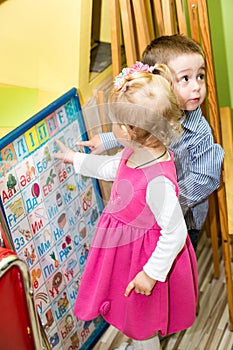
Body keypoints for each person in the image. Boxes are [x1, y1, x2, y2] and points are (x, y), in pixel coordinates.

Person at [54, 62, 198, 350]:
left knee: (143, 322)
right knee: (129, 312)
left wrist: (150, 273)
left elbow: (176, 233)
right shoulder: (134, 152)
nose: (112, 127)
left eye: (117, 123)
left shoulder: (158, 183)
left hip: (144, 259)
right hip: (126, 252)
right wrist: (76, 159)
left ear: (134, 131)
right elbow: (112, 168)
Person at [78, 35, 224, 252]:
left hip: (182, 218)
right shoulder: (151, 115)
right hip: (148, 211)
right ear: (160, 83)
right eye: (185, 78)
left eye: (200, 76)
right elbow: (136, 133)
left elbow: (207, 178)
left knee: (176, 264)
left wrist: (166, 202)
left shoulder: (199, 131)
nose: (197, 87)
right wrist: (107, 140)